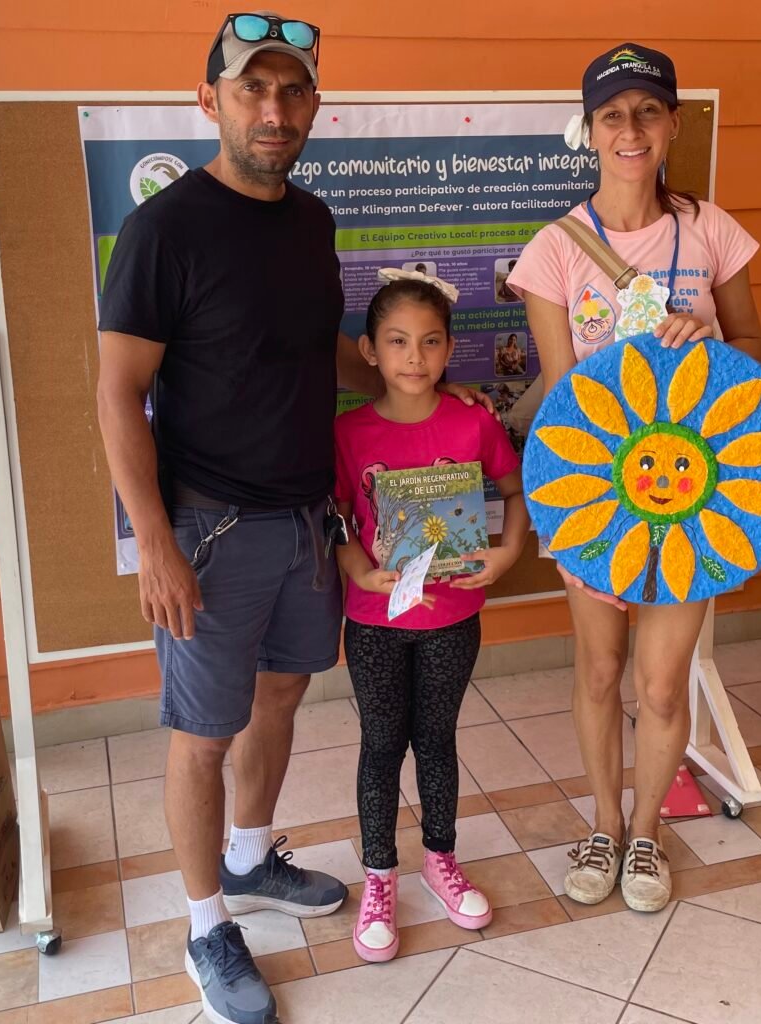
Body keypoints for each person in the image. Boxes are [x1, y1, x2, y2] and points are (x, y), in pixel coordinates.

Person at [96, 13, 491, 1023]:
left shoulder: (311, 222)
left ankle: (248, 856)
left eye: (291, 92)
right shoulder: (162, 230)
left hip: (308, 523)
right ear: (209, 101)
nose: (272, 111)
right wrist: (153, 541)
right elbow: (116, 392)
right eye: (250, 91)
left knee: (278, 698)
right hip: (209, 530)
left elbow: (324, 354)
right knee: (199, 733)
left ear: (311, 105)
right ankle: (203, 927)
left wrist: (434, 388)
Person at [507, 43, 761, 914]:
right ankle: (604, 824)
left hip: (695, 498)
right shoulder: (553, 250)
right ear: (590, 130)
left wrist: (712, 341)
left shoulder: (711, 230)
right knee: (599, 670)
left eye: (647, 112)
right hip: (595, 501)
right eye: (612, 115)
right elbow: (560, 397)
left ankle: (648, 834)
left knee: (662, 682)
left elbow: (757, 354)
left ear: (673, 124)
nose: (631, 130)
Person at [333, 272, 529, 961]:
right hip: (375, 620)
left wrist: (507, 555)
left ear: (449, 350)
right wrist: (357, 566)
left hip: (452, 616)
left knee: (437, 737)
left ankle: (439, 859)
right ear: (369, 351)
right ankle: (378, 876)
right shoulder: (347, 432)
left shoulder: (473, 420)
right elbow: (333, 519)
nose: (413, 357)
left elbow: (514, 488)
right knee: (383, 743)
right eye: (397, 342)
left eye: (429, 342)